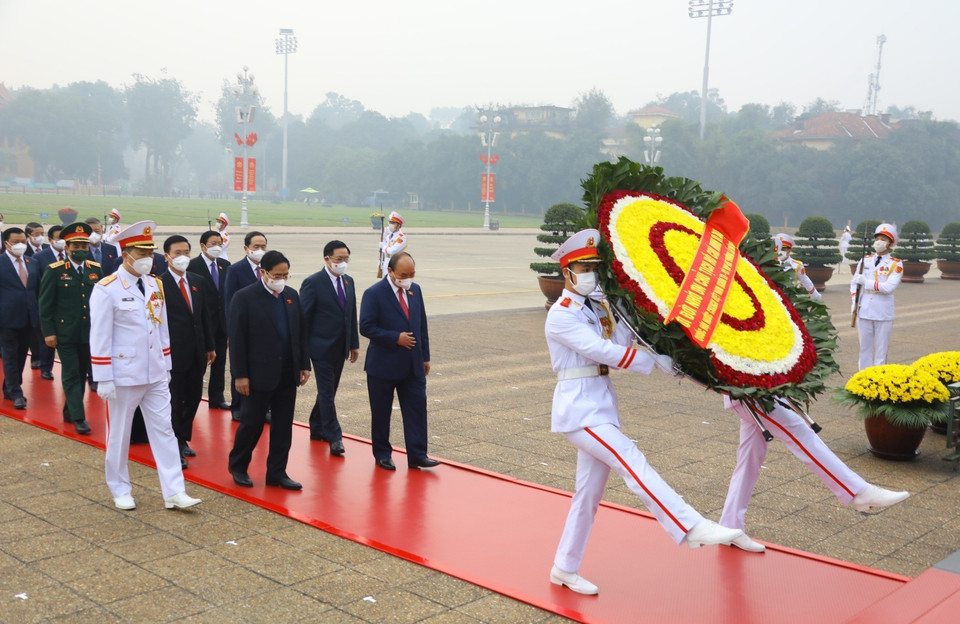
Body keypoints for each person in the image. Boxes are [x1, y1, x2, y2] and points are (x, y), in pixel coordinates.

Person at [544, 229, 742, 596]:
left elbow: (617, 343)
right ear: (567, 272)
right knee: (631, 459)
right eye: (583, 267)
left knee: (587, 495)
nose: (591, 273)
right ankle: (689, 525)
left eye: (594, 267)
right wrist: (653, 362)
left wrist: (628, 318)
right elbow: (601, 351)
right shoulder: (560, 315)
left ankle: (564, 567)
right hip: (578, 409)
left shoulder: (598, 303)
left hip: (600, 403)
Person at [89, 220, 201, 511]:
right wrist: (103, 377)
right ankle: (120, 488)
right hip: (124, 374)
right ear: (125, 254)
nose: (148, 259)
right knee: (120, 434)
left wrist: (166, 364)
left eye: (151, 253)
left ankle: (174, 491)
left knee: (165, 430)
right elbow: (100, 335)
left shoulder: (155, 284)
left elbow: (160, 327)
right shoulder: (107, 289)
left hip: (154, 372)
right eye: (141, 253)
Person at [720, 397, 910, 553]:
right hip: (749, 392)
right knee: (799, 433)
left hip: (753, 388)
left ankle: (730, 526)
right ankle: (857, 491)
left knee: (749, 459)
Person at [227, 250, 311, 490]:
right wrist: (240, 375)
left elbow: (300, 334)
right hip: (257, 375)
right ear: (263, 272)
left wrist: (304, 364)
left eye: (285, 275)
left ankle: (277, 472)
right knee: (251, 424)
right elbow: (237, 339)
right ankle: (239, 466)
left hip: (287, 373)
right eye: (277, 274)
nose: (281, 279)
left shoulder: (291, 296)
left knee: (283, 427)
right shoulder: (245, 298)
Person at [359, 252, 439, 471]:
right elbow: (366, 327)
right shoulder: (374, 293)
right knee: (381, 412)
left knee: (416, 410)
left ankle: (418, 454)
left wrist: (425, 356)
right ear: (391, 272)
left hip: (413, 364)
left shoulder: (415, 290)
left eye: (412, 273)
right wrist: (395, 338)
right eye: (403, 274)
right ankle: (382, 454)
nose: (408, 278)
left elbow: (421, 324)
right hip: (383, 365)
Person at [38, 223, 101, 435]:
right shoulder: (54, 271)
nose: (81, 249)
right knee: (71, 373)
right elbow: (45, 305)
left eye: (85, 244)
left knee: (82, 372)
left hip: (88, 332)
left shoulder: (95, 269)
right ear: (67, 248)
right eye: (76, 245)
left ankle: (69, 410)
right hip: (64, 333)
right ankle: (79, 417)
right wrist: (48, 332)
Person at [161, 235, 216, 468]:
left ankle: (183, 436)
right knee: (174, 398)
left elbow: (205, 316)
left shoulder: (198, 281)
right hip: (173, 352)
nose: (182, 257)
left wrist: (210, 346)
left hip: (197, 351)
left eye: (186, 252)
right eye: (177, 253)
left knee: (193, 397)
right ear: (167, 256)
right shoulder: (158, 284)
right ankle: (174, 443)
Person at [300, 240, 360, 455]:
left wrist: (353, 343)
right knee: (326, 392)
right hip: (320, 348)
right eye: (339, 259)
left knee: (329, 391)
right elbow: (303, 320)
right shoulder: (313, 283)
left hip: (340, 347)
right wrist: (302, 355)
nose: (343, 263)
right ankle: (334, 436)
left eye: (346, 259)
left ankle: (316, 426)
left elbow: (351, 315)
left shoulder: (348, 281)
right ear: (327, 259)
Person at [223, 231, 268, 421]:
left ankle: (262, 408)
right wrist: (231, 331)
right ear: (246, 248)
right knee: (240, 368)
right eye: (256, 247)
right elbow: (229, 302)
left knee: (262, 369)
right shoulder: (236, 270)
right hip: (242, 328)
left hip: (264, 330)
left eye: (263, 246)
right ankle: (238, 407)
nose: (260, 250)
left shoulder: (268, 268)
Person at [188, 230, 231, 410]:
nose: (217, 247)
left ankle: (217, 397)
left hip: (221, 323)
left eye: (219, 243)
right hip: (202, 323)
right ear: (203, 246)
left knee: (220, 362)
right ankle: (192, 398)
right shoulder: (192, 265)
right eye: (213, 244)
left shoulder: (225, 265)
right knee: (199, 364)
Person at [851, 223, 903, 370]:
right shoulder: (865, 260)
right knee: (864, 349)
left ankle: (879, 380)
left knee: (881, 351)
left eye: (884, 239)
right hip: (864, 308)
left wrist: (866, 282)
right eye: (878, 238)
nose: (879, 242)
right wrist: (853, 302)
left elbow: (888, 288)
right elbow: (854, 283)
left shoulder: (896, 264)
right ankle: (863, 379)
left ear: (890, 244)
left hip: (883, 311)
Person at [0, 227, 41, 410]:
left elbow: (37, 290)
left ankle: (9, 386)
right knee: (9, 355)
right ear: (6, 243)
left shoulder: (31, 262)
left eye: (23, 242)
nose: (20, 245)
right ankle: (16, 392)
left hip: (29, 318)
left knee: (21, 355)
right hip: (6, 319)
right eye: (16, 242)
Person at [25, 222, 56, 379]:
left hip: (60, 304)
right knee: (41, 335)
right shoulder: (35, 255)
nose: (39, 237)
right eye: (36, 234)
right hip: (40, 301)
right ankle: (40, 362)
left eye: (41, 233)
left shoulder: (63, 253)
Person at [773, 233, 822, 300]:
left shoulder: (796, 266)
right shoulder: (771, 262)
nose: (780, 251)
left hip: (790, 298)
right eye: (779, 248)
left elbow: (805, 281)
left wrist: (816, 296)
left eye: (783, 249)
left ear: (789, 250)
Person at [379, 211, 407, 276]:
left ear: (399, 225)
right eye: (389, 222)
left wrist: (383, 247)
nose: (390, 224)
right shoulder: (389, 236)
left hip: (395, 264)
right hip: (387, 263)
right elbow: (386, 251)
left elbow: (392, 251)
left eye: (392, 223)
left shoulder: (401, 238)